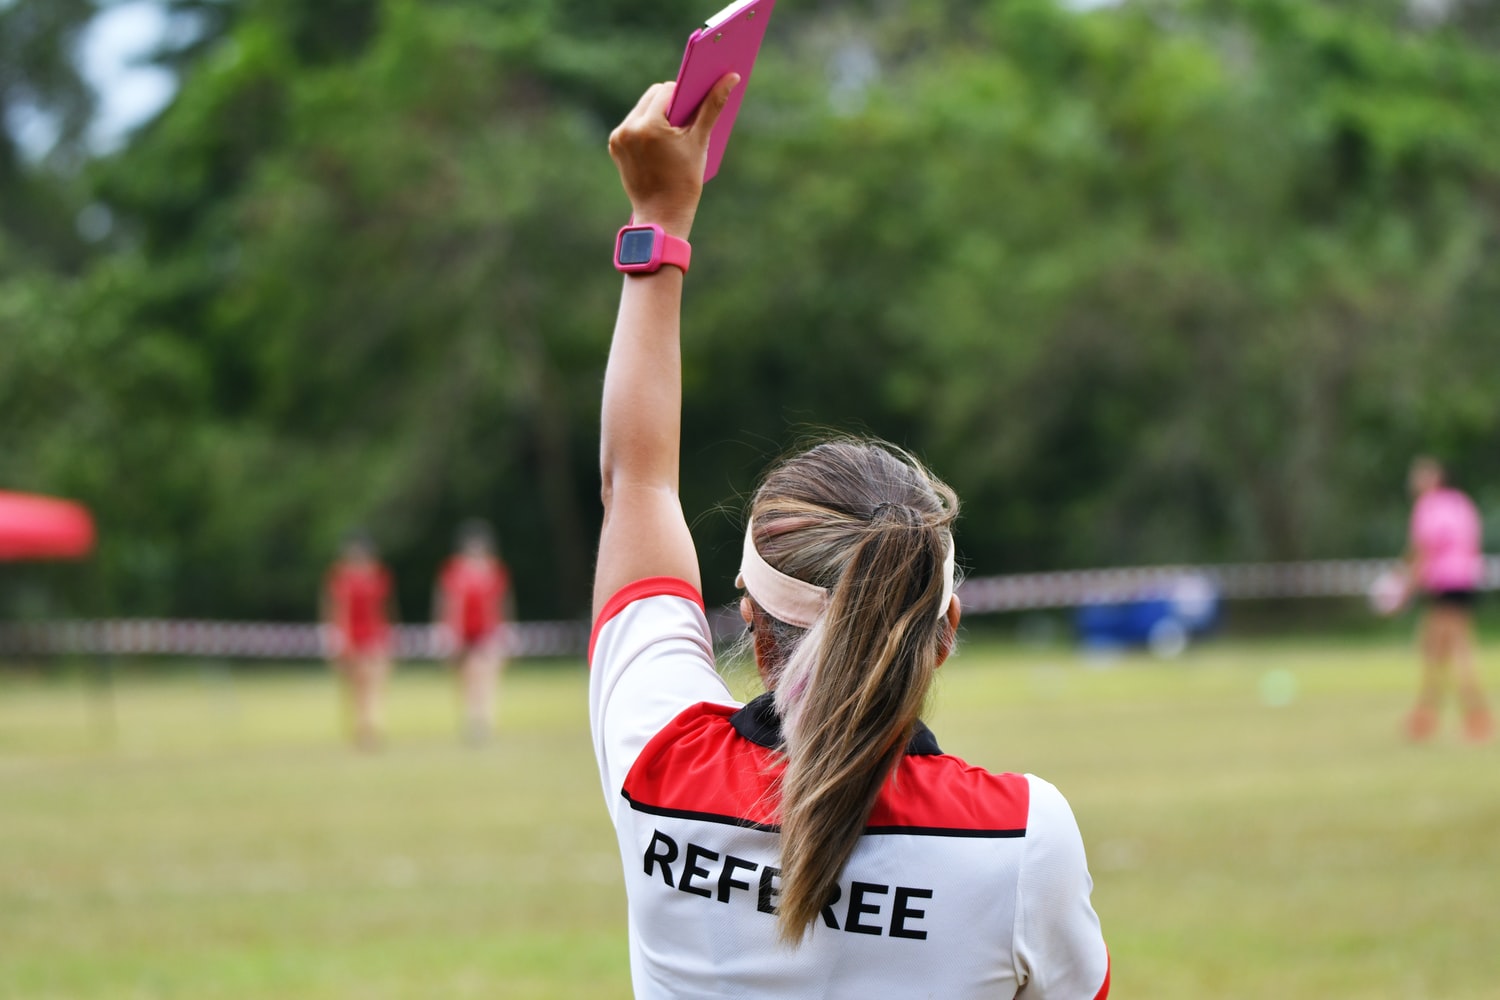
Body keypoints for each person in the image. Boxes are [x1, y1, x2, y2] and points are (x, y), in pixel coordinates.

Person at [587, 77, 1110, 998]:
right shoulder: (1023, 841)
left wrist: (658, 216)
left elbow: (637, 480)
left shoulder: (656, 762)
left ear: (750, 619)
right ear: (942, 630)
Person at [1404, 457, 1491, 742]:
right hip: (1465, 581)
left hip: (1443, 583)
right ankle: (1430, 713)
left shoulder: (1427, 507)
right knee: (1441, 648)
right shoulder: (1461, 503)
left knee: (1447, 650)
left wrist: (1404, 590)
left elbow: (1422, 552)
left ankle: (1465, 715)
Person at [435, 518, 513, 743]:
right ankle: (472, 718)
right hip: (462, 634)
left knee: (486, 676)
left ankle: (484, 719)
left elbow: (502, 603)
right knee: (467, 679)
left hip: (487, 632)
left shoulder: (494, 571)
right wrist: (447, 631)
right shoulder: (454, 571)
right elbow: (447, 602)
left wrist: (503, 631)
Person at [323, 531, 395, 750]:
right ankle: (361, 729)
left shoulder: (379, 577)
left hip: (375, 638)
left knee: (374, 685)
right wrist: (337, 639)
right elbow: (335, 610)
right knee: (356, 688)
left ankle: (372, 728)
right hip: (350, 639)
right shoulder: (341, 578)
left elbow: (386, 609)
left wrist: (388, 638)